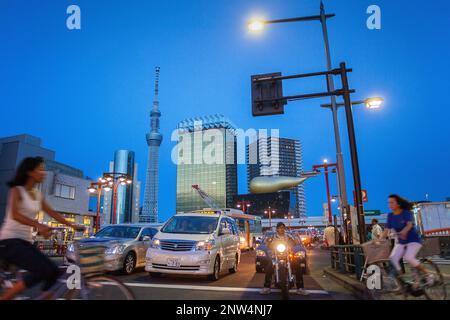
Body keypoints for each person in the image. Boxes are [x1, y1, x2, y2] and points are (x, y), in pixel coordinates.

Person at [0, 157, 83, 300]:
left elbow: (53, 213)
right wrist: (38, 225)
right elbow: (15, 214)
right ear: (30, 172)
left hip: (25, 242)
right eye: (40, 169)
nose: (44, 172)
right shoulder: (17, 190)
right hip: (10, 241)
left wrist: (72, 225)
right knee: (41, 270)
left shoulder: (38, 195)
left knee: (54, 271)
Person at [381, 194, 432, 284]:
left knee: (409, 257)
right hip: (401, 242)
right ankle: (401, 282)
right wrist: (378, 240)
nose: (390, 204)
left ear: (398, 204)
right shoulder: (390, 216)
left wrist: (404, 231)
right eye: (388, 202)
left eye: (392, 202)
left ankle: (428, 275)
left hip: (413, 240)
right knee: (393, 258)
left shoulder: (406, 213)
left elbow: (409, 225)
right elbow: (386, 230)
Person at [260, 222, 309, 296]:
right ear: (277, 229)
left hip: (288, 255)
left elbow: (295, 241)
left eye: (283, 227)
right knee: (269, 266)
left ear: (284, 229)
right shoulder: (273, 237)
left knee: (298, 266)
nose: (281, 229)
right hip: (276, 255)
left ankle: (300, 288)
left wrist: (295, 241)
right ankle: (266, 287)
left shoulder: (288, 236)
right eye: (279, 228)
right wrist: (268, 243)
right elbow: (268, 243)